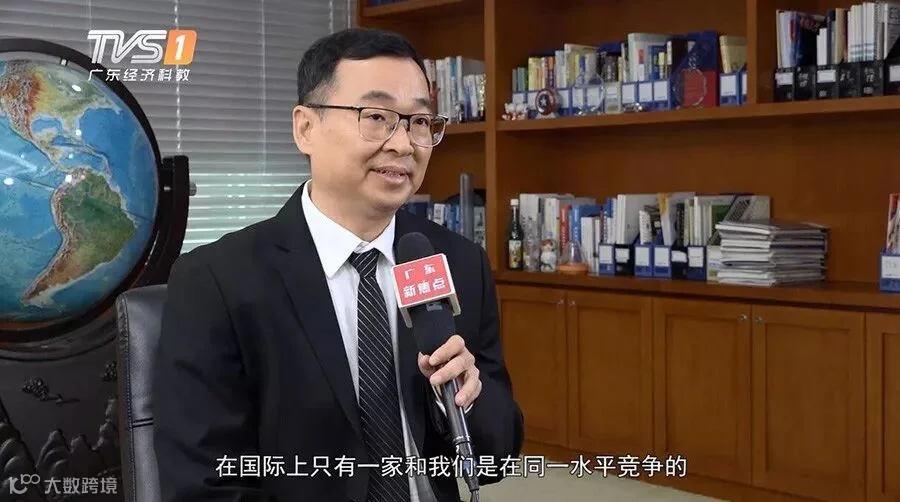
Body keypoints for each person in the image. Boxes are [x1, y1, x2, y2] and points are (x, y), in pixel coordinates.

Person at [152, 27, 524, 502]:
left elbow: (500, 455)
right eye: (377, 117)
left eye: (419, 122)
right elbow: (203, 485)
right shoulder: (217, 281)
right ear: (305, 128)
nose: (404, 144)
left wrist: (466, 403)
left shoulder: (457, 261)